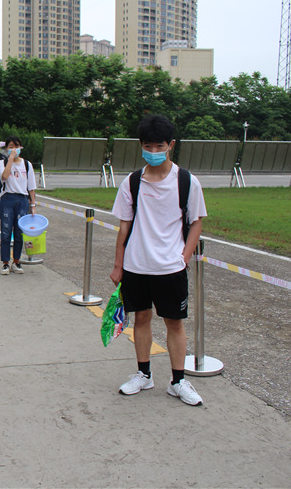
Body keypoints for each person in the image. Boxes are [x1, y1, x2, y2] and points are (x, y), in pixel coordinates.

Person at [110, 114, 207, 406]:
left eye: (159, 146)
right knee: (141, 318)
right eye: (148, 146)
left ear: (171, 145)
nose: (154, 151)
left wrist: (184, 258)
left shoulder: (186, 181)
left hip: (170, 267)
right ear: (141, 145)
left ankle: (178, 381)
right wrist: (118, 265)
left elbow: (196, 222)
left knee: (174, 323)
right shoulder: (132, 182)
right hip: (136, 265)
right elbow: (124, 227)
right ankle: (144, 374)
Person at [0, 136, 37, 275]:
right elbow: (4, 177)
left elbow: (31, 186)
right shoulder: (2, 163)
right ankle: (5, 263)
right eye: (11, 147)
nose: (14, 149)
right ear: (6, 149)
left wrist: (33, 205)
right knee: (6, 231)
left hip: (22, 200)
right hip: (7, 199)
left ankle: (16, 261)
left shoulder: (27, 164)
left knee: (19, 232)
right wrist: (10, 159)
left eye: (16, 146)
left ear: (21, 148)